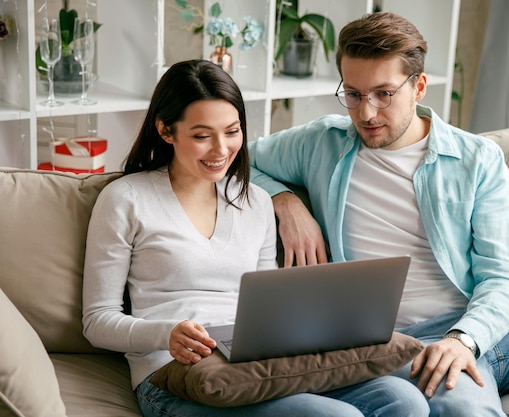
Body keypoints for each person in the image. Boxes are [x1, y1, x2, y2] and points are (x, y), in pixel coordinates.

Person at [248, 12, 509, 416]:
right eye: (354, 94)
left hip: (506, 324)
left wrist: (466, 338)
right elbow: (236, 159)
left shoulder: (477, 159)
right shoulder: (320, 143)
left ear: (419, 86)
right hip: (414, 343)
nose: (366, 114)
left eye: (383, 94)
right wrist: (284, 200)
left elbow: (503, 277)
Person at [81, 59, 426, 417]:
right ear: (166, 131)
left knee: (404, 400)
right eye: (202, 136)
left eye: (232, 131)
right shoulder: (126, 199)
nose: (221, 150)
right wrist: (166, 334)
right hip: (173, 376)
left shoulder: (255, 201)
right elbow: (97, 321)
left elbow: (266, 303)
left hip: (255, 364)